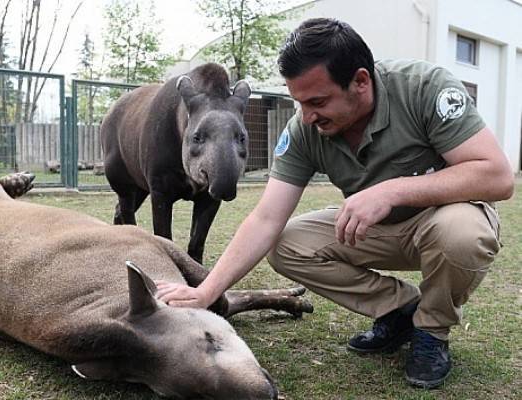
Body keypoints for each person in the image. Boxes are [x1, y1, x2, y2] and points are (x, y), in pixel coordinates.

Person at [155, 17, 514, 389]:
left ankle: (431, 331)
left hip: (442, 221)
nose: (307, 116)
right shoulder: (305, 128)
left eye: (318, 102)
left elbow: (497, 176)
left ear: (360, 81)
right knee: (284, 244)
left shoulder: (423, 87)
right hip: (376, 230)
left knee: (462, 234)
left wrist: (392, 190)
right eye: (299, 102)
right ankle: (400, 308)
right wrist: (206, 291)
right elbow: (266, 218)